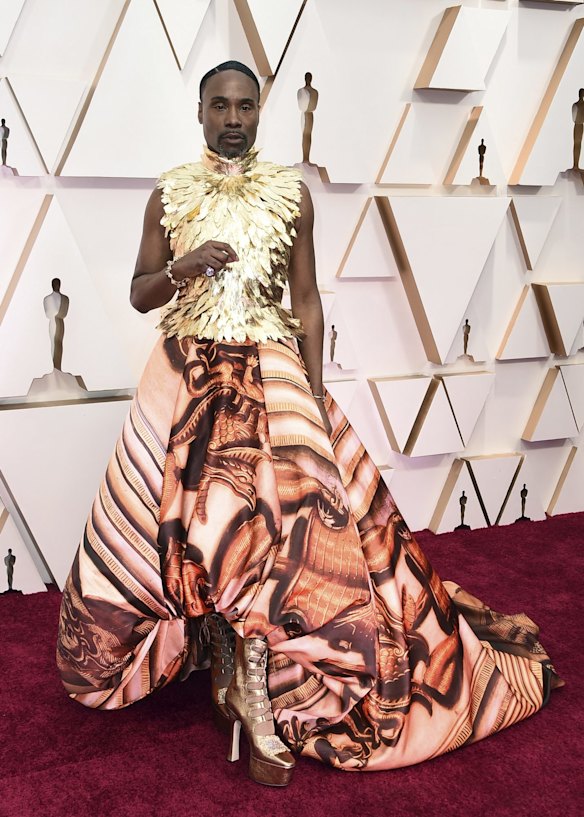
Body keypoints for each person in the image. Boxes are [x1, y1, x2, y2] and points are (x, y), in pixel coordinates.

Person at [57, 61, 560, 787]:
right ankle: (226, 653)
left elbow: (308, 301)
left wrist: (316, 398)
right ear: (199, 110)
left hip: (274, 374)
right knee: (193, 525)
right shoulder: (168, 191)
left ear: (260, 113)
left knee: (283, 532)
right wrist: (185, 266)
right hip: (189, 374)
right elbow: (140, 292)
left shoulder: (292, 194)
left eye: (246, 107)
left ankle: (256, 672)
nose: (234, 119)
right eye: (221, 106)